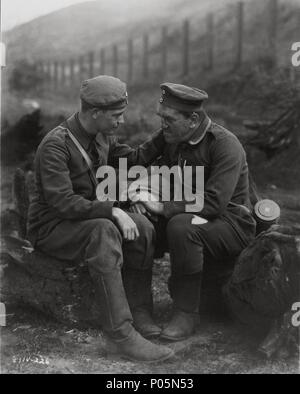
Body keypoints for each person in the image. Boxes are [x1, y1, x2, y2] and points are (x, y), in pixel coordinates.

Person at [27, 75, 174, 362]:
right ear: (95, 113)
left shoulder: (102, 136)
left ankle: (139, 310)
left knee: (142, 226)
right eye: (117, 115)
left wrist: (163, 136)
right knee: (105, 231)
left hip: (84, 219)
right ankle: (120, 335)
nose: (121, 121)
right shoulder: (56, 146)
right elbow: (62, 203)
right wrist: (113, 210)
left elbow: (131, 160)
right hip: (52, 227)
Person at [131, 82, 257, 341]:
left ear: (194, 119)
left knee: (181, 226)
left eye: (169, 119)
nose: (163, 124)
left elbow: (213, 204)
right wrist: (138, 192)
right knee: (140, 223)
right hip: (189, 216)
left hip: (231, 223)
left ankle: (187, 313)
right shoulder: (171, 136)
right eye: (161, 118)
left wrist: (163, 206)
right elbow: (133, 161)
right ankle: (140, 309)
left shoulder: (224, 145)